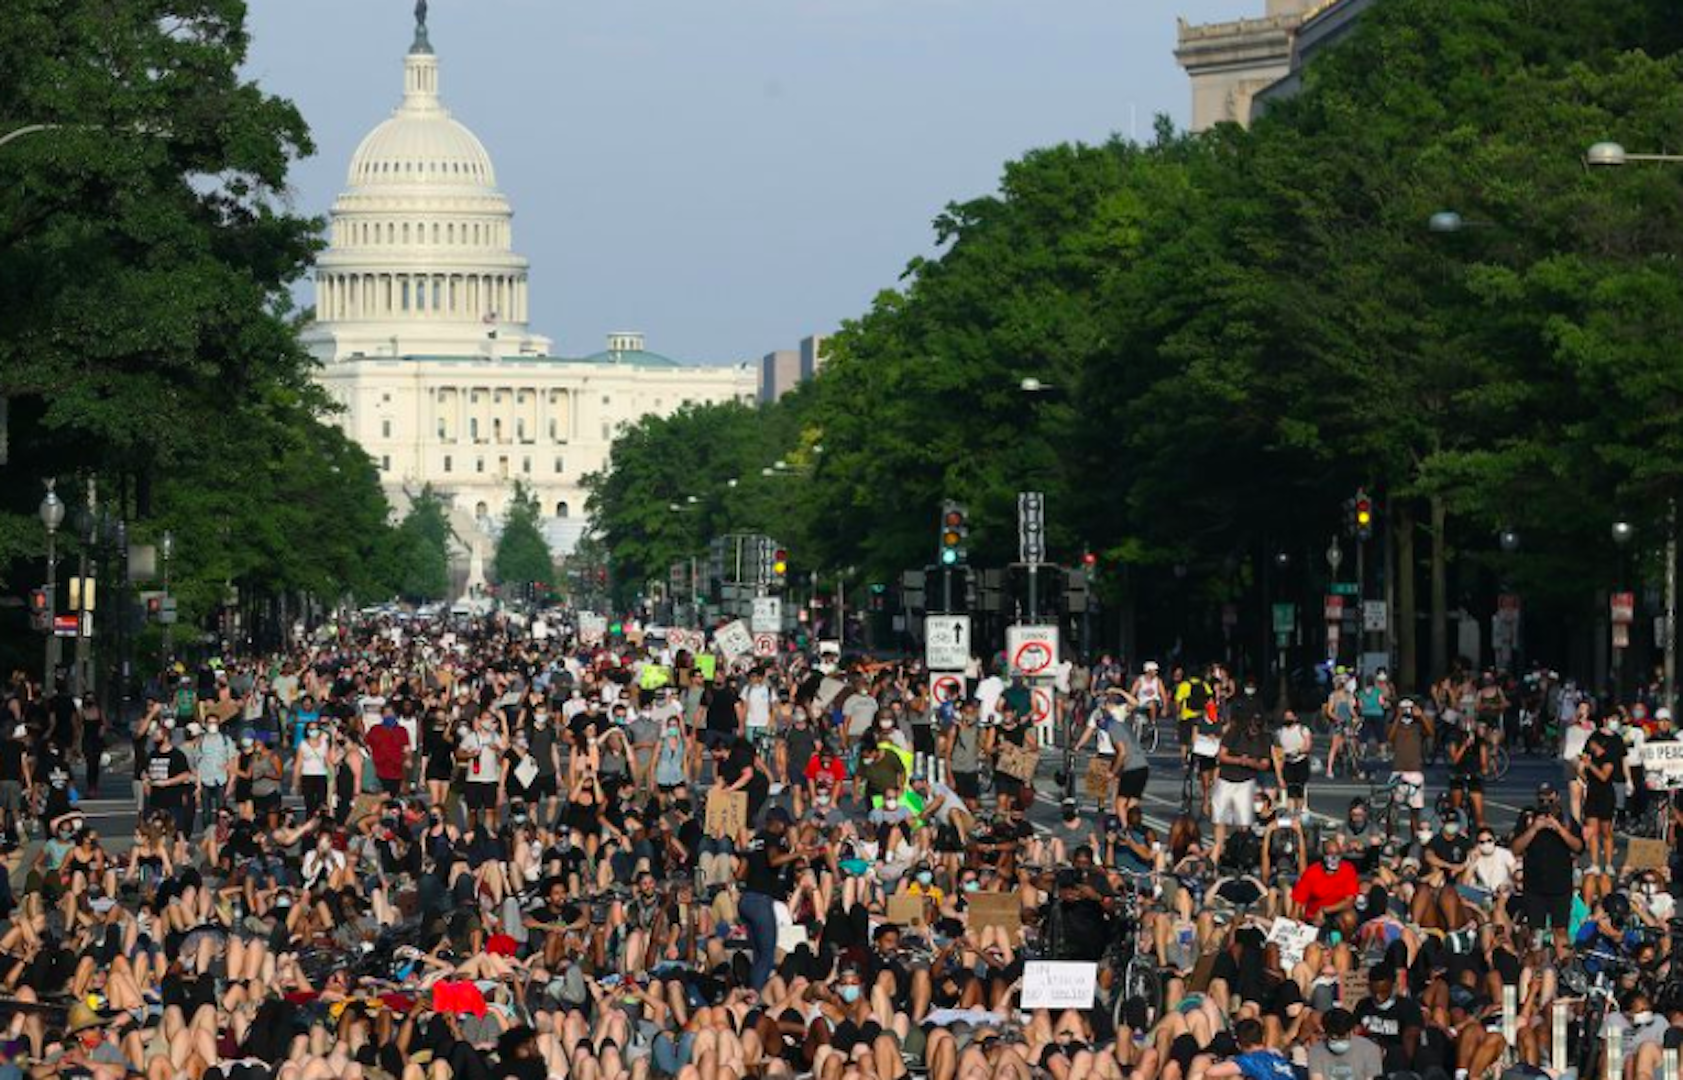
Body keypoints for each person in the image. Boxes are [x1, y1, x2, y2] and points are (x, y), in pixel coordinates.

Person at [1511, 782, 1583, 957]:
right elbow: (1515, 848)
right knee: (1536, 932)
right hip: (1535, 886)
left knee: (1561, 930)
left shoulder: (1566, 820)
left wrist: (1558, 828)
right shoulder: (1528, 819)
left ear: (1557, 797)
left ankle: (1564, 964)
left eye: (1549, 798)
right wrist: (1534, 829)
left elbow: (1578, 846)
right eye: (1541, 799)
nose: (1545, 803)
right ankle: (1536, 966)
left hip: (1560, 887)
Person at [1306, 1007, 1384, 1080]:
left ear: (1351, 1031)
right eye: (1334, 1038)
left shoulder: (1370, 1049)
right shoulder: (1315, 1051)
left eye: (1342, 1037)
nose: (1338, 1041)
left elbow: (1372, 1077)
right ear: (1326, 1033)